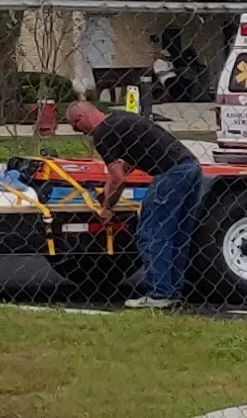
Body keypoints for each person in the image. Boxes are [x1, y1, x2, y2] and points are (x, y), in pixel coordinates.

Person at [67, 96, 204, 307]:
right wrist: (107, 189)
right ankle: (172, 291)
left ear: (79, 119)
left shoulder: (102, 134)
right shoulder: (121, 119)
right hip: (191, 167)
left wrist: (106, 209)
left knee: (151, 232)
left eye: (77, 128)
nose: (81, 133)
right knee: (177, 233)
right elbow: (130, 161)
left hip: (169, 174)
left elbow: (118, 179)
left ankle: (159, 294)